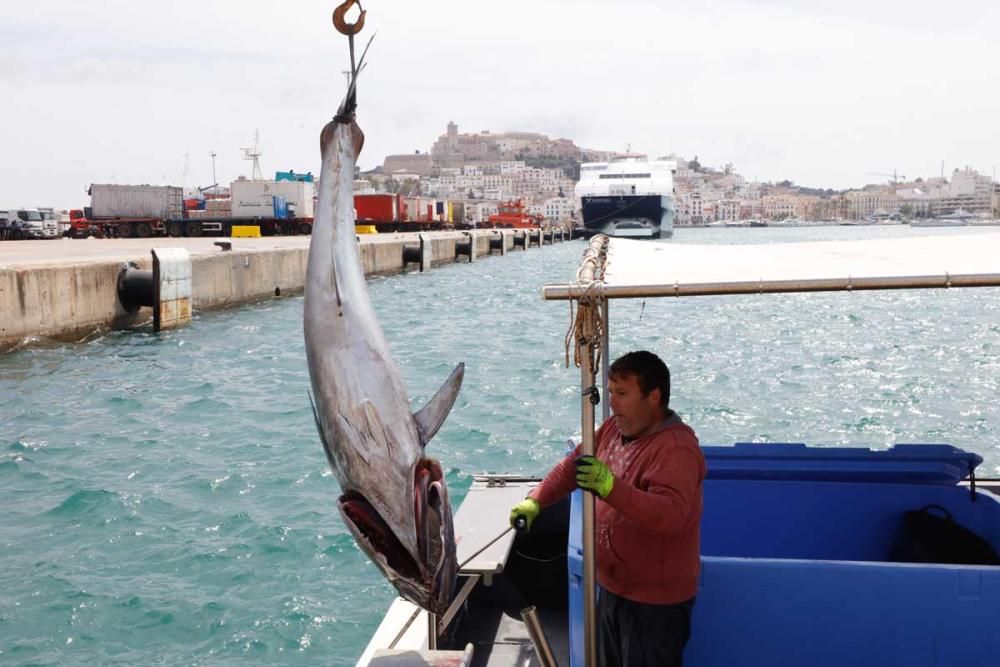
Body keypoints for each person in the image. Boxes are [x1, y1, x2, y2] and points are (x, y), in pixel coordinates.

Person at [510, 350, 706, 667]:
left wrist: (610, 487)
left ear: (654, 397)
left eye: (623, 394)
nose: (612, 403)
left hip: (654, 605)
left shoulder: (677, 449)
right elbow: (574, 466)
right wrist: (536, 499)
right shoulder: (614, 429)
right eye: (611, 392)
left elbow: (671, 516)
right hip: (614, 588)